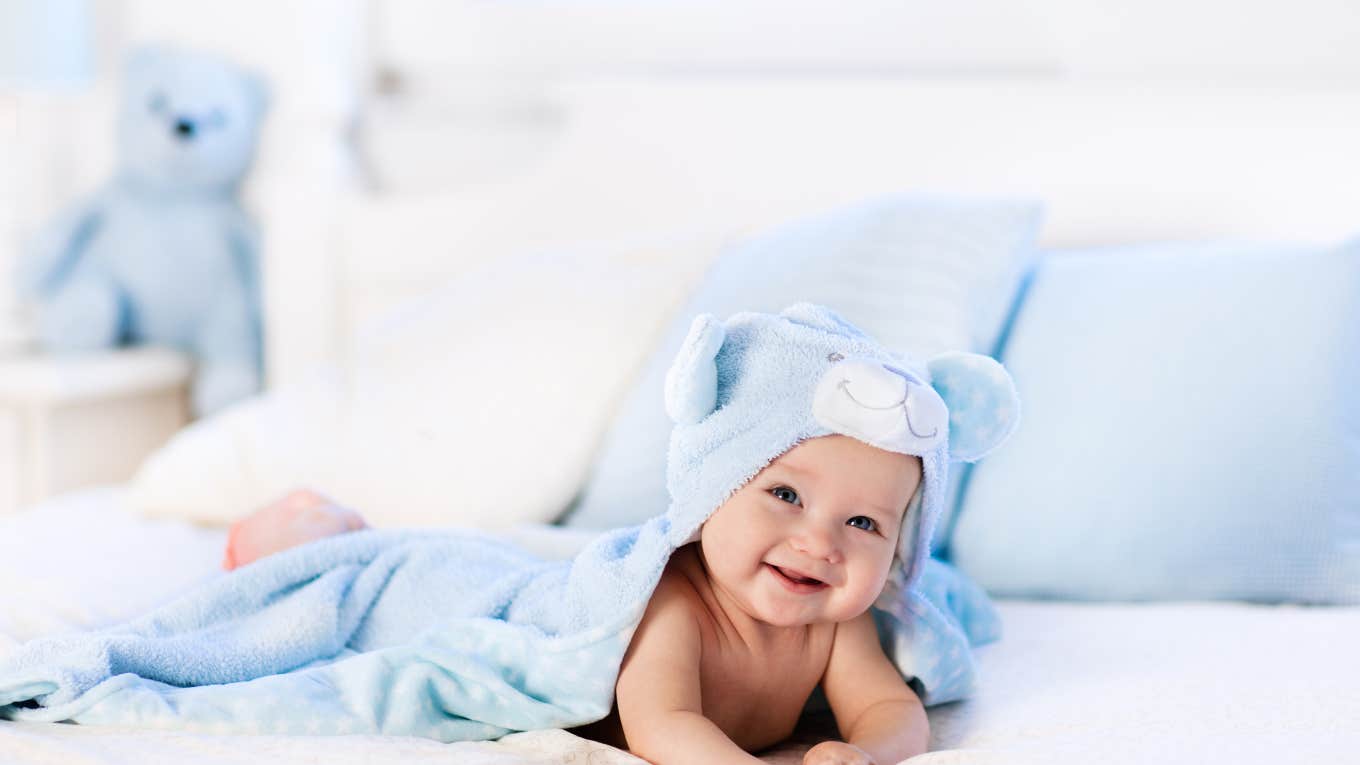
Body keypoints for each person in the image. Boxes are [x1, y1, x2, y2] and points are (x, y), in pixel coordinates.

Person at [219, 303, 1018, 764]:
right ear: (715, 487)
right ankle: (313, 534)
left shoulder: (837, 623)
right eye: (783, 493)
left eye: (864, 522)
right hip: (490, 598)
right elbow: (664, 725)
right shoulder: (673, 602)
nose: (821, 542)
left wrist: (866, 752)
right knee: (389, 579)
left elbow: (891, 710)